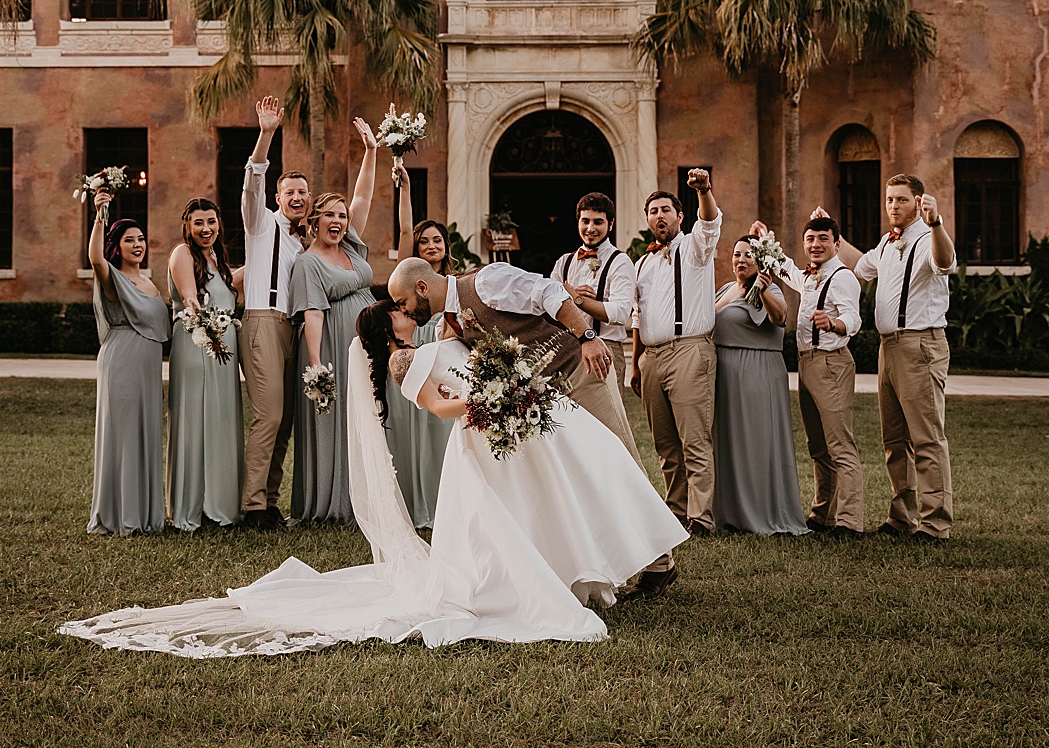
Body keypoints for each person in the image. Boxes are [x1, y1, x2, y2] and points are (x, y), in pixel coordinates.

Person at [57, 336, 689, 657]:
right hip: (474, 443)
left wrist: (506, 388)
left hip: (495, 441)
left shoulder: (448, 334)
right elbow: (442, 407)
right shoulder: (402, 362)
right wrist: (490, 400)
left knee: (526, 514)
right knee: (488, 540)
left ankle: (568, 569)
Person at [387, 248, 674, 602]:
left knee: (618, 457)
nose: (402, 310)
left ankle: (661, 564)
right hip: (545, 397)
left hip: (578, 370)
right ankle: (603, 559)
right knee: (579, 477)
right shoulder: (447, 324)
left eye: (402, 301)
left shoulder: (487, 281)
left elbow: (549, 292)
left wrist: (587, 338)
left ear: (421, 287)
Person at [832, 175, 957, 543]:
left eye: (901, 200)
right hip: (889, 347)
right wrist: (834, 238)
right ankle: (902, 516)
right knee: (894, 438)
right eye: (889, 200)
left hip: (921, 346)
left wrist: (936, 224)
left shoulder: (928, 237)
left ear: (918, 202)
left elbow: (946, 262)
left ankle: (935, 524)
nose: (893, 206)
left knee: (927, 438)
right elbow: (859, 266)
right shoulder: (888, 243)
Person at [286, 118, 383, 523]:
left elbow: (362, 198)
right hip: (333, 347)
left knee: (365, 415)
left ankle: (367, 495)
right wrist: (316, 363)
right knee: (336, 419)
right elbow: (312, 311)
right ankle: (334, 501)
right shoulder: (308, 262)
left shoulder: (351, 248)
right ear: (315, 220)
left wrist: (372, 152)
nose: (339, 222)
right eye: (330, 216)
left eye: (342, 217)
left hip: (365, 344)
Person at [629, 170, 723, 541]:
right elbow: (638, 314)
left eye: (666, 210)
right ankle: (676, 510)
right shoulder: (642, 262)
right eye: (653, 211)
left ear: (679, 217)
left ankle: (701, 517)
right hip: (651, 357)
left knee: (694, 439)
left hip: (689, 351)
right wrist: (635, 364)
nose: (659, 216)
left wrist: (703, 191)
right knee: (665, 444)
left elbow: (710, 222)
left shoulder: (695, 247)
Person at [238, 96, 308, 530]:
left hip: (292, 329)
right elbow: (251, 184)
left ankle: (270, 501)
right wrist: (266, 134)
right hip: (262, 320)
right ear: (277, 197)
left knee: (286, 424)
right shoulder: (260, 225)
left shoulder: (304, 241)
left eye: (303, 192)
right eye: (290, 192)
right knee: (270, 415)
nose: (296, 198)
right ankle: (251, 506)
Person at [83, 191, 169, 535]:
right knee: (123, 436)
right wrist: (99, 215)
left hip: (148, 367)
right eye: (129, 240)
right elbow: (94, 259)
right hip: (121, 360)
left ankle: (147, 515)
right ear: (116, 246)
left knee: (145, 433)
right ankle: (120, 515)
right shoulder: (111, 277)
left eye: (141, 239)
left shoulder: (149, 283)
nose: (138, 244)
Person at [711, 230, 806, 536]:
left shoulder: (771, 290)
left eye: (748, 254)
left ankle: (762, 512)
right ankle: (729, 513)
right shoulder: (725, 289)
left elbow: (780, 319)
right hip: (724, 372)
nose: (741, 259)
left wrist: (763, 290)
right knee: (727, 442)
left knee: (755, 442)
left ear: (761, 260)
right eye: (737, 254)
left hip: (756, 371)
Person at [778, 214, 865, 540]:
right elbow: (786, 269)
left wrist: (834, 324)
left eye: (823, 239)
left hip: (831, 363)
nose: (816, 245)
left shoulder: (842, 277)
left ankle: (849, 521)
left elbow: (852, 318)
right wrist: (762, 242)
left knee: (839, 444)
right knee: (818, 445)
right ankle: (823, 513)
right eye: (810, 240)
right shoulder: (810, 276)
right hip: (808, 363)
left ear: (836, 243)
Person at [380, 180, 459, 527]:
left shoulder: (456, 285)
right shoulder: (407, 283)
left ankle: (446, 503)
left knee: (441, 429)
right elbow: (404, 229)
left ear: (446, 246)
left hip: (445, 357)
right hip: (414, 355)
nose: (430, 245)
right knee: (414, 428)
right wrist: (406, 188)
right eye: (423, 241)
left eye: (436, 240)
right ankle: (415, 505)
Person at [165, 197, 243, 530]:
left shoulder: (216, 259)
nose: (206, 229)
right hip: (197, 342)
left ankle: (219, 507)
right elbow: (190, 298)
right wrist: (210, 335)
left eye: (211, 222)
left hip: (222, 349)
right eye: (198, 223)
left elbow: (229, 286)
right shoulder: (182, 253)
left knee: (220, 420)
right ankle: (191, 509)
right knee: (195, 421)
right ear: (187, 225)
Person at [357, 295, 452, 529]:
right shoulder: (400, 363)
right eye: (395, 310)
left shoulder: (423, 350)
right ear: (385, 328)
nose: (404, 310)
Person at [549, 192, 636, 400]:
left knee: (607, 426)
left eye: (598, 222)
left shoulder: (620, 262)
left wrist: (579, 301)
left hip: (605, 350)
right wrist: (571, 297)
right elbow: (548, 306)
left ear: (611, 224)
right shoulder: (564, 262)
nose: (590, 228)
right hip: (568, 349)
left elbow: (621, 313)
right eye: (585, 221)